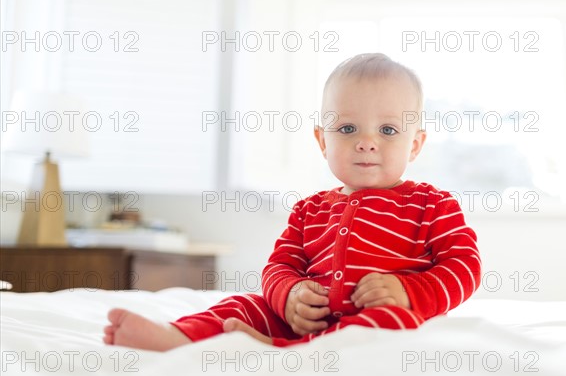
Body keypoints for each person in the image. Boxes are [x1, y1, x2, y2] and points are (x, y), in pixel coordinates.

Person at [103, 53, 482, 350]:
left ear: (414, 144)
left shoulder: (432, 204)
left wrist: (410, 292)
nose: (367, 142)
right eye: (347, 128)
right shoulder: (309, 210)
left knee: (393, 324)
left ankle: (286, 352)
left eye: (388, 130)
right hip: (308, 320)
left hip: (375, 320)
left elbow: (466, 266)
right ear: (322, 141)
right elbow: (278, 267)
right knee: (245, 305)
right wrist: (289, 296)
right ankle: (179, 337)